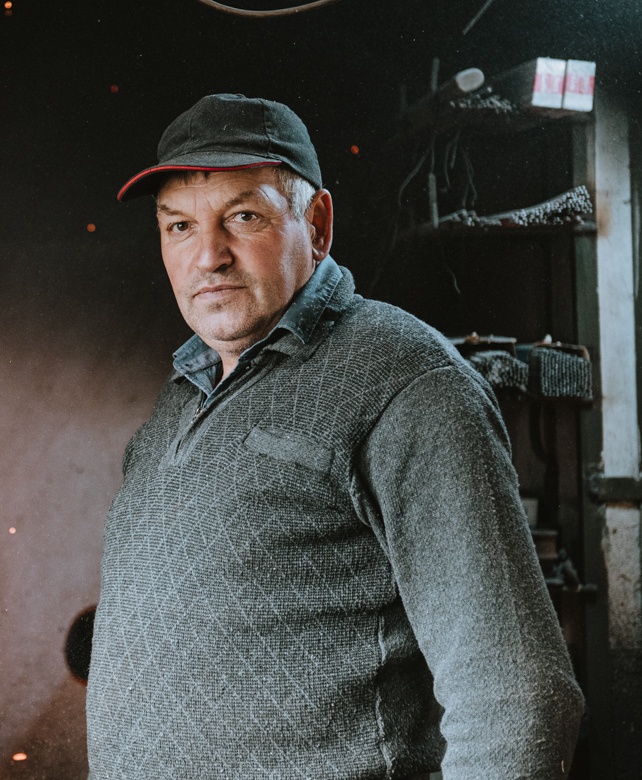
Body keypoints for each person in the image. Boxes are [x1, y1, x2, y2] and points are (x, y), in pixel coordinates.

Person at [85, 93, 584, 780]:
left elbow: (518, 699)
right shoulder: (179, 400)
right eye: (179, 226)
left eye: (244, 217)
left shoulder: (405, 381)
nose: (208, 256)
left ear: (317, 225)